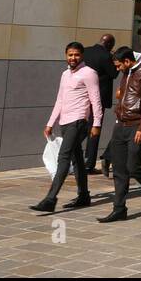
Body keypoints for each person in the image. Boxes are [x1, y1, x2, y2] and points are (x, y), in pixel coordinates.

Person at [30, 42, 102, 213]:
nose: (73, 58)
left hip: (78, 122)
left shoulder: (89, 73)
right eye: (70, 54)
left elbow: (96, 100)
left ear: (82, 55)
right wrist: (50, 123)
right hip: (64, 122)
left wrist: (97, 123)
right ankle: (84, 195)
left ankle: (50, 199)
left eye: (76, 54)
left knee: (63, 157)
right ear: (65, 55)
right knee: (76, 159)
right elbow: (60, 100)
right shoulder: (64, 74)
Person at [100, 46, 141, 222]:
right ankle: (119, 209)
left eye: (118, 65)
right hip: (120, 125)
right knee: (119, 169)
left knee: (133, 167)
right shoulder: (126, 73)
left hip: (136, 125)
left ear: (127, 61)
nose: (117, 68)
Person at [82, 33, 117, 176]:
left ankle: (73, 158)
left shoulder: (85, 51)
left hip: (83, 95)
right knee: (94, 129)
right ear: (109, 45)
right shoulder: (106, 56)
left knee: (81, 127)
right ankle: (89, 164)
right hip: (98, 97)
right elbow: (114, 73)